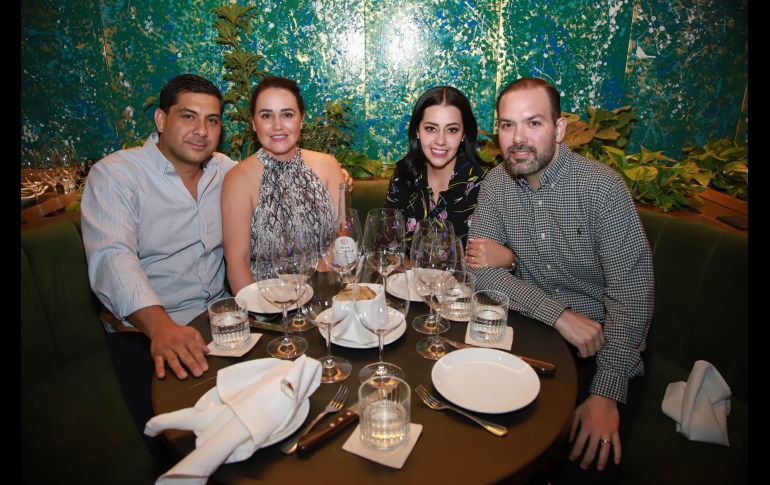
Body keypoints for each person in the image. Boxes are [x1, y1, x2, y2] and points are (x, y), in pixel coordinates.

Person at [467, 77, 654, 484]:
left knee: (587, 464)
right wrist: (559, 315)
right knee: (480, 440)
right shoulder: (497, 184)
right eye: (506, 125)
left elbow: (633, 296)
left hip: (604, 348)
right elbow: (479, 269)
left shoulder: (601, 189)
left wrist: (606, 393)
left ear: (560, 128)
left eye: (533, 123)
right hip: (535, 340)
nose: (518, 139)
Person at [221, 76, 345, 295]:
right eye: (266, 115)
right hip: (269, 302)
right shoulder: (238, 179)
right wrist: (255, 312)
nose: (277, 126)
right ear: (253, 122)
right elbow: (237, 261)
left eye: (287, 114)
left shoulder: (328, 166)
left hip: (327, 292)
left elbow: (343, 235)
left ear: (301, 119)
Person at [384, 86, 493, 252]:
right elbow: (388, 247)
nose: (440, 140)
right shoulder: (403, 176)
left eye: (452, 130)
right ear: (417, 131)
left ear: (463, 134)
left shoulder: (486, 183)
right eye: (430, 129)